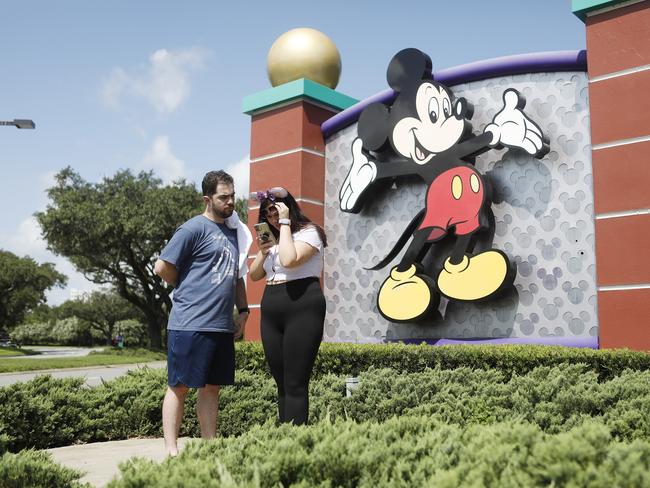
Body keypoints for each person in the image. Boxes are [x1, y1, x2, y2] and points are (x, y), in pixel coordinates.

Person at [154, 170, 251, 456]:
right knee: (179, 387)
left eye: (233, 196)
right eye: (224, 197)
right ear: (207, 199)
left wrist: (243, 312)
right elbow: (162, 267)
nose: (231, 202)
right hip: (189, 324)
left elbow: (237, 275)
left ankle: (210, 447)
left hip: (221, 326)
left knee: (211, 388)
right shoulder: (192, 229)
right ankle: (172, 450)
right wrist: (185, 285)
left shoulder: (235, 232)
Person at [249, 187, 327, 425]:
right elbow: (253, 275)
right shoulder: (275, 239)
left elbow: (290, 260)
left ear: (288, 208)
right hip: (272, 307)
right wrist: (263, 252)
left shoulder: (309, 232)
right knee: (281, 381)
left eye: (276, 211)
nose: (272, 217)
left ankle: (296, 443)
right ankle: (282, 437)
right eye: (267, 214)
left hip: (302, 304)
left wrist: (284, 223)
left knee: (295, 382)